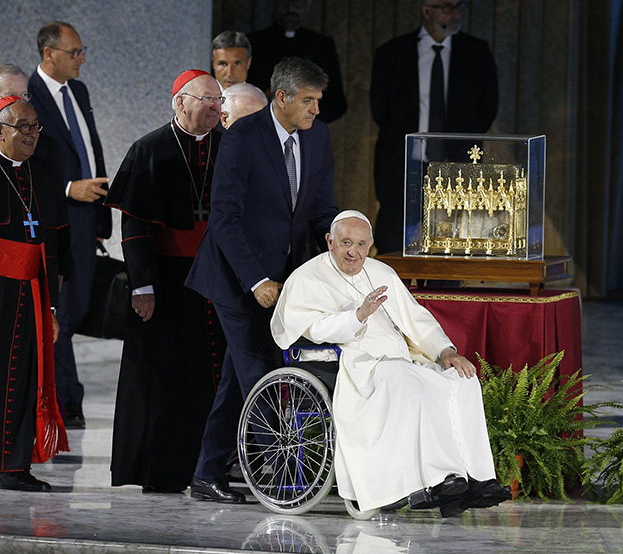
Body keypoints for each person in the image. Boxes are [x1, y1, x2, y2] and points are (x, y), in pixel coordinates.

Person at [271, 210, 510, 517]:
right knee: (406, 380)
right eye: (345, 243)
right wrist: (357, 315)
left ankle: (476, 479)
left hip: (404, 360)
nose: (353, 252)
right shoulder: (307, 278)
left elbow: (417, 320)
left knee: (462, 380)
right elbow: (314, 329)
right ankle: (437, 479)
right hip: (360, 365)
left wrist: (446, 352)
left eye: (360, 244)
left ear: (370, 244)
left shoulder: (381, 272)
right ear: (330, 241)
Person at [185, 56, 340, 503]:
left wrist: (343, 246)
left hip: (285, 280)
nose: (315, 110)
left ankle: (208, 471)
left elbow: (320, 209)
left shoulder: (318, 136)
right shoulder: (243, 138)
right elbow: (225, 220)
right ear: (282, 98)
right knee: (260, 373)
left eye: (318, 101)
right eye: (308, 101)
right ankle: (286, 474)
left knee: (239, 378)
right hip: (237, 279)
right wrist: (256, 281)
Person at [104, 70, 228, 492]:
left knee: (212, 372)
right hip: (166, 281)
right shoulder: (150, 149)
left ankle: (213, 466)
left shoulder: (227, 147)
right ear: (180, 102)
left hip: (215, 276)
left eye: (219, 100)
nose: (216, 108)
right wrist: (142, 286)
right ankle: (162, 470)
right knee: (165, 377)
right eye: (207, 99)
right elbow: (135, 225)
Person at [370, 0, 499, 253]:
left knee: (450, 246)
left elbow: (487, 107)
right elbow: (380, 109)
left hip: (457, 165)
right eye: (446, 7)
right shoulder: (392, 53)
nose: (455, 13)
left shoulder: (476, 52)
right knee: (396, 243)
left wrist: (461, 145)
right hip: (405, 165)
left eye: (458, 6)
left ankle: (443, 297)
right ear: (427, 11)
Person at [29, 21, 112, 429]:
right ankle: (64, 398)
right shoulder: (30, 97)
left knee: (75, 308)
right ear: (50, 54)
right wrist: (68, 188)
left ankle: (64, 395)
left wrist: (98, 216)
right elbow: (30, 162)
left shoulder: (78, 91)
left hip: (85, 216)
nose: (81, 59)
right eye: (74, 52)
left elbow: (89, 148)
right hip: (56, 215)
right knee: (57, 309)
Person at [0, 96, 70, 491]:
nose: (31, 135)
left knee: (27, 375)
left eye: (35, 127)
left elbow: (53, 242)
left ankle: (15, 466)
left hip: (32, 292)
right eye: (21, 127)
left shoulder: (41, 173)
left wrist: (52, 305)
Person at [247, 0, 347, 124]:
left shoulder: (322, 45)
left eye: (297, 1)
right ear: (274, 2)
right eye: (284, 0)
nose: (290, 8)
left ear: (308, 3)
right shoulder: (254, 43)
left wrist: (306, 117)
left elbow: (337, 102)